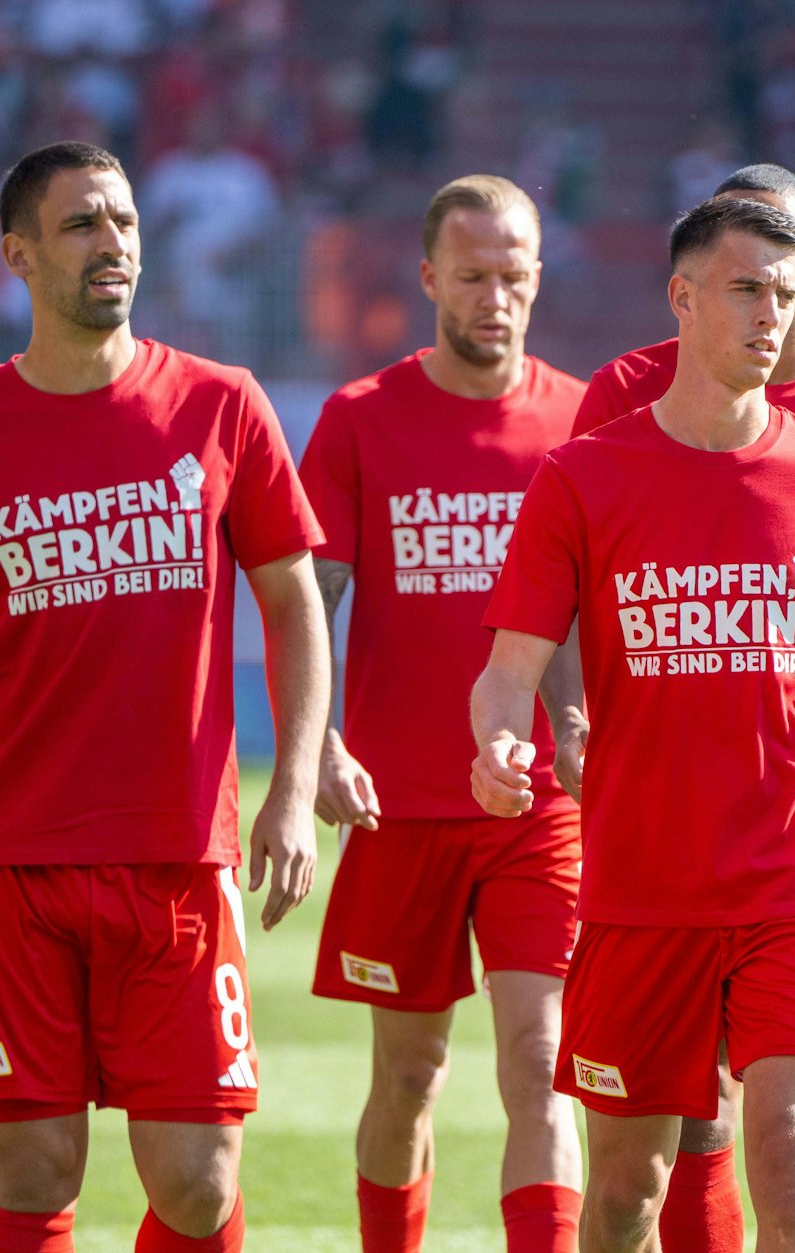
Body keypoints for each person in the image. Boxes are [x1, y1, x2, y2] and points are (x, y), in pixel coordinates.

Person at [471, 195, 795, 1253]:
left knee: (788, 1149)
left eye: (784, 295)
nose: (768, 316)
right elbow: (509, 664)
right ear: (681, 298)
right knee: (623, 1195)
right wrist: (499, 740)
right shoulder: (582, 478)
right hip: (640, 890)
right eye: (744, 289)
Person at [0, 141, 329, 1253]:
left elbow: (294, 602)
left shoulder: (220, 406)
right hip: (10, 862)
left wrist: (294, 779)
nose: (113, 243)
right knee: (33, 1172)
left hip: (176, 854)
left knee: (199, 1183)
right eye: (81, 224)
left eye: (123, 221)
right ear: (17, 256)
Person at [302, 174, 586, 1253]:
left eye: (513, 276)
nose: (494, 297)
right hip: (399, 802)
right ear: (428, 278)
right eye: (472, 276)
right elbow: (307, 604)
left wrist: (582, 724)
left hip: (534, 805)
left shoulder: (578, 418)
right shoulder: (360, 420)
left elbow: (594, 608)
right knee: (409, 1072)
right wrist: (317, 741)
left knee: (538, 1058)